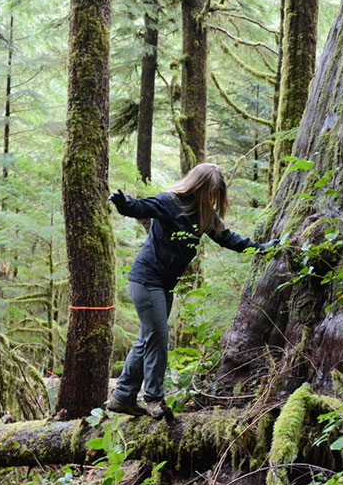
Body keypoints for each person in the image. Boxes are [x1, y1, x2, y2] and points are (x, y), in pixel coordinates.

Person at [105, 163, 270, 420]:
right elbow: (139, 208)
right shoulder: (168, 201)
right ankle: (154, 399)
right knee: (159, 338)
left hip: (164, 284)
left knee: (147, 338)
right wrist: (123, 203)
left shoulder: (205, 215)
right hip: (146, 280)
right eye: (209, 191)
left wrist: (260, 248)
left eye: (215, 194)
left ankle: (123, 397)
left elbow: (229, 239)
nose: (211, 198)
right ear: (197, 185)